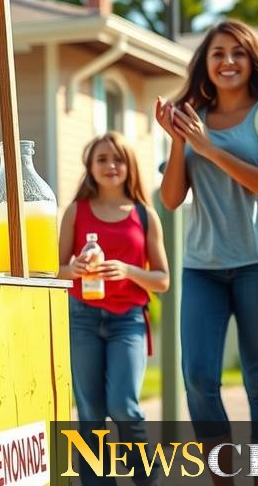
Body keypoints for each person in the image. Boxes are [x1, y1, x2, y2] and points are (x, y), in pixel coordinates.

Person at [156, 19, 258, 486]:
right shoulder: (191, 116)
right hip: (203, 266)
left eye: (238, 52)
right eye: (218, 53)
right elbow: (172, 198)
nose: (228, 61)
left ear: (252, 59)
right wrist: (181, 142)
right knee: (197, 378)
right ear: (206, 62)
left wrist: (209, 148)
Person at [58, 132, 169, 486]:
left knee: (123, 405)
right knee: (91, 412)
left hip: (129, 322)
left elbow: (163, 279)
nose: (110, 166)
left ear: (129, 166)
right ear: (89, 166)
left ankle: (145, 478)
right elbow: (53, 271)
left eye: (118, 159)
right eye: (102, 159)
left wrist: (128, 270)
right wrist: (71, 270)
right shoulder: (75, 211)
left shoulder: (144, 214)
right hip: (82, 319)